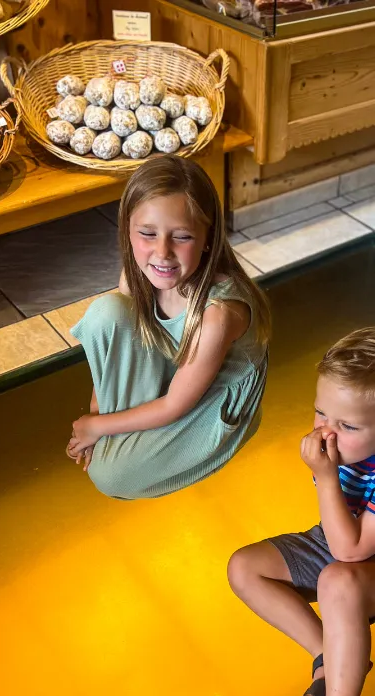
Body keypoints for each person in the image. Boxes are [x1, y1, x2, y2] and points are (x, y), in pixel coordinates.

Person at [66, 155, 271, 499]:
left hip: (209, 402)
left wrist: (97, 427)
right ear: (127, 230)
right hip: (175, 366)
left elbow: (174, 405)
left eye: (182, 237)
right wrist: (95, 417)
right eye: (147, 233)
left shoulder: (218, 315)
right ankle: (121, 432)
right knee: (107, 312)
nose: (162, 253)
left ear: (208, 237)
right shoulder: (139, 274)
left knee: (109, 475)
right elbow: (115, 351)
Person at [227, 328, 375, 696]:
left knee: (337, 580)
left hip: (357, 553)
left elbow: (352, 551)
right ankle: (326, 658)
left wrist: (326, 478)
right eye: (321, 413)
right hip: (340, 543)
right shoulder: (344, 446)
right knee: (244, 567)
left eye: (348, 426)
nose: (327, 431)